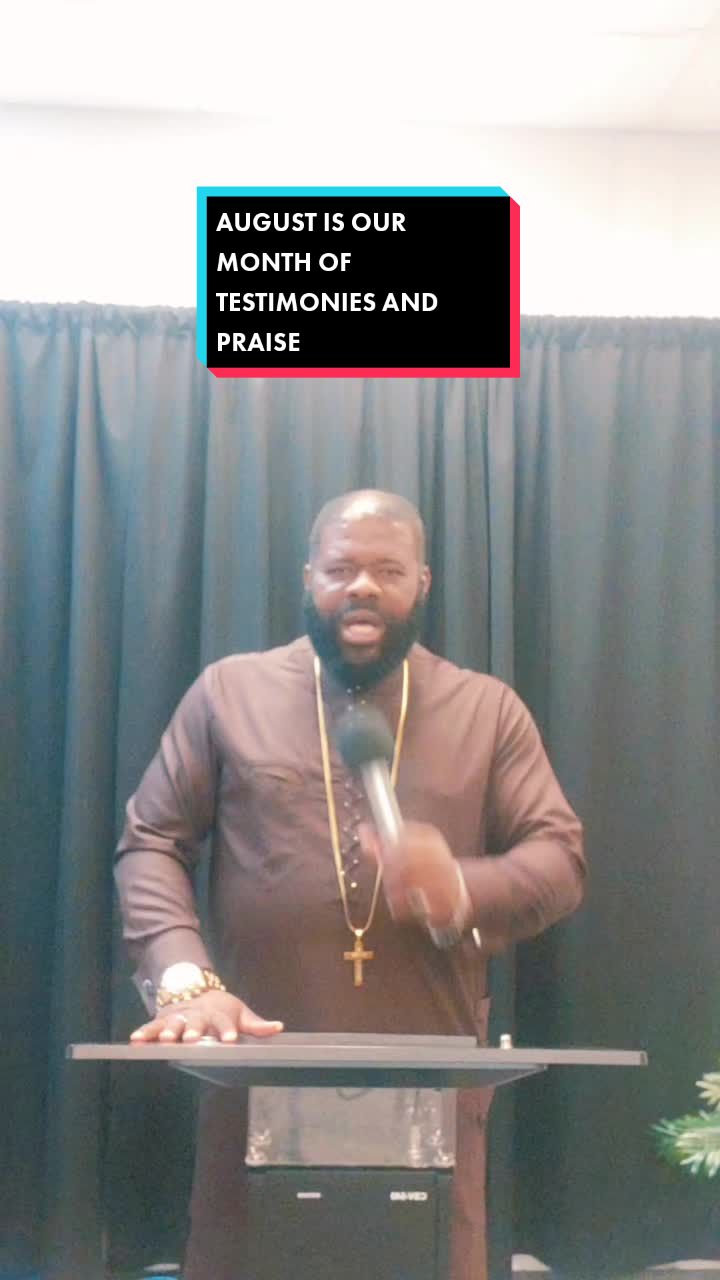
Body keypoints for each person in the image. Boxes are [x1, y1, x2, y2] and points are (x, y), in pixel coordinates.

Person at [114, 489, 585, 1280]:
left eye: (387, 571)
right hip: (255, 1070)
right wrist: (185, 982)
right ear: (310, 578)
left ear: (422, 583)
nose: (362, 587)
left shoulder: (486, 709)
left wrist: (461, 885)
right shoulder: (229, 693)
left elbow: (560, 859)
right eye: (340, 569)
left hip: (431, 1086)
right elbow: (152, 840)